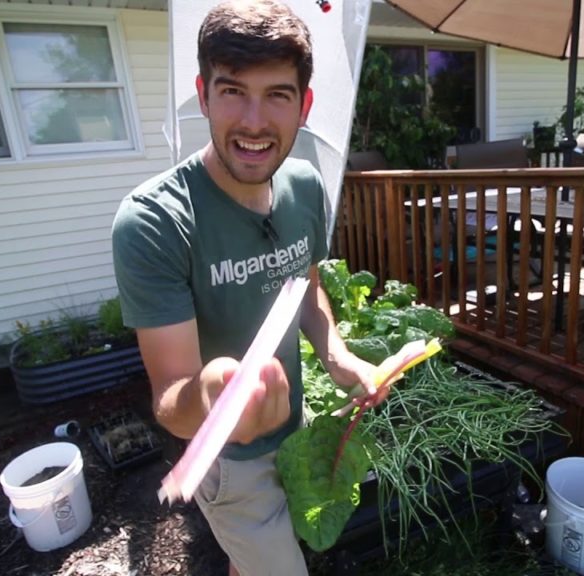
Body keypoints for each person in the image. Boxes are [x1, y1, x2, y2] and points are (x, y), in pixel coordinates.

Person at [111, 2, 382, 574]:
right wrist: (212, 399)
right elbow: (168, 397)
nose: (254, 121)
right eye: (233, 90)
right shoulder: (155, 222)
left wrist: (335, 353)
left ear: (304, 105)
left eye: (278, 95)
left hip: (296, 429)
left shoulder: (306, 187)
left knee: (256, 560)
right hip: (228, 460)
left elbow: (305, 288)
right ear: (203, 95)